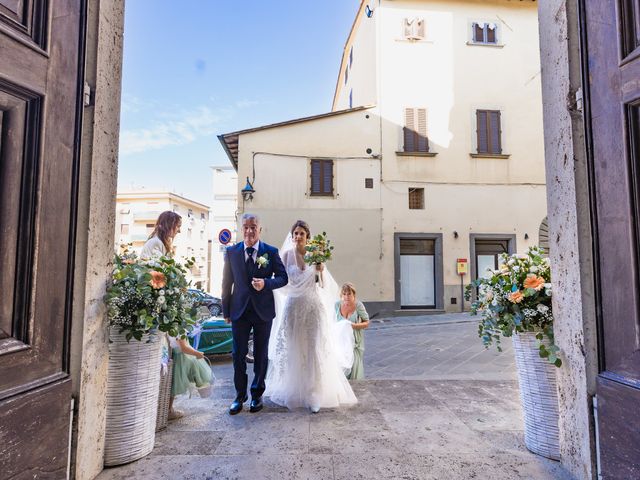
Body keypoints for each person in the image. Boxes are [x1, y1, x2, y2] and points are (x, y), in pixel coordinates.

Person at [265, 220, 357, 413]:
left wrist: (321, 270)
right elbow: (281, 281)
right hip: (293, 307)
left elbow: (322, 285)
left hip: (312, 307)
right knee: (294, 347)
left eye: (302, 234)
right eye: (295, 234)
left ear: (308, 237)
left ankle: (314, 393)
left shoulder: (316, 256)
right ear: (292, 237)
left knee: (313, 347)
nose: (298, 237)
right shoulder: (286, 255)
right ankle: (295, 390)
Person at [221, 213, 288, 415]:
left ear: (260, 229)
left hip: (263, 311)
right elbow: (226, 284)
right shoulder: (232, 252)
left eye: (253, 227)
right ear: (242, 229)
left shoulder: (270, 251)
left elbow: (283, 278)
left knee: (261, 355)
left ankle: (257, 395)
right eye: (246, 227)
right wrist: (226, 310)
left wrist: (266, 283)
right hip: (239, 311)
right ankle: (239, 396)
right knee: (237, 355)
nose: (249, 231)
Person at [167, 335, 212, 420]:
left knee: (173, 384)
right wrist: (197, 353)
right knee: (174, 385)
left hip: (175, 355)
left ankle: (168, 408)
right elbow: (184, 348)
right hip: (180, 358)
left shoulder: (172, 326)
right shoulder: (179, 328)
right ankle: (169, 410)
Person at [335, 283, 370, 380]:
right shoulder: (336, 306)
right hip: (341, 343)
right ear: (341, 295)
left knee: (355, 370)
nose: (346, 296)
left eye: (349, 294)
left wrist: (352, 326)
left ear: (353, 295)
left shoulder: (358, 305)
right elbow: (332, 324)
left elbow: (367, 323)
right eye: (344, 294)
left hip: (355, 343)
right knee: (342, 370)